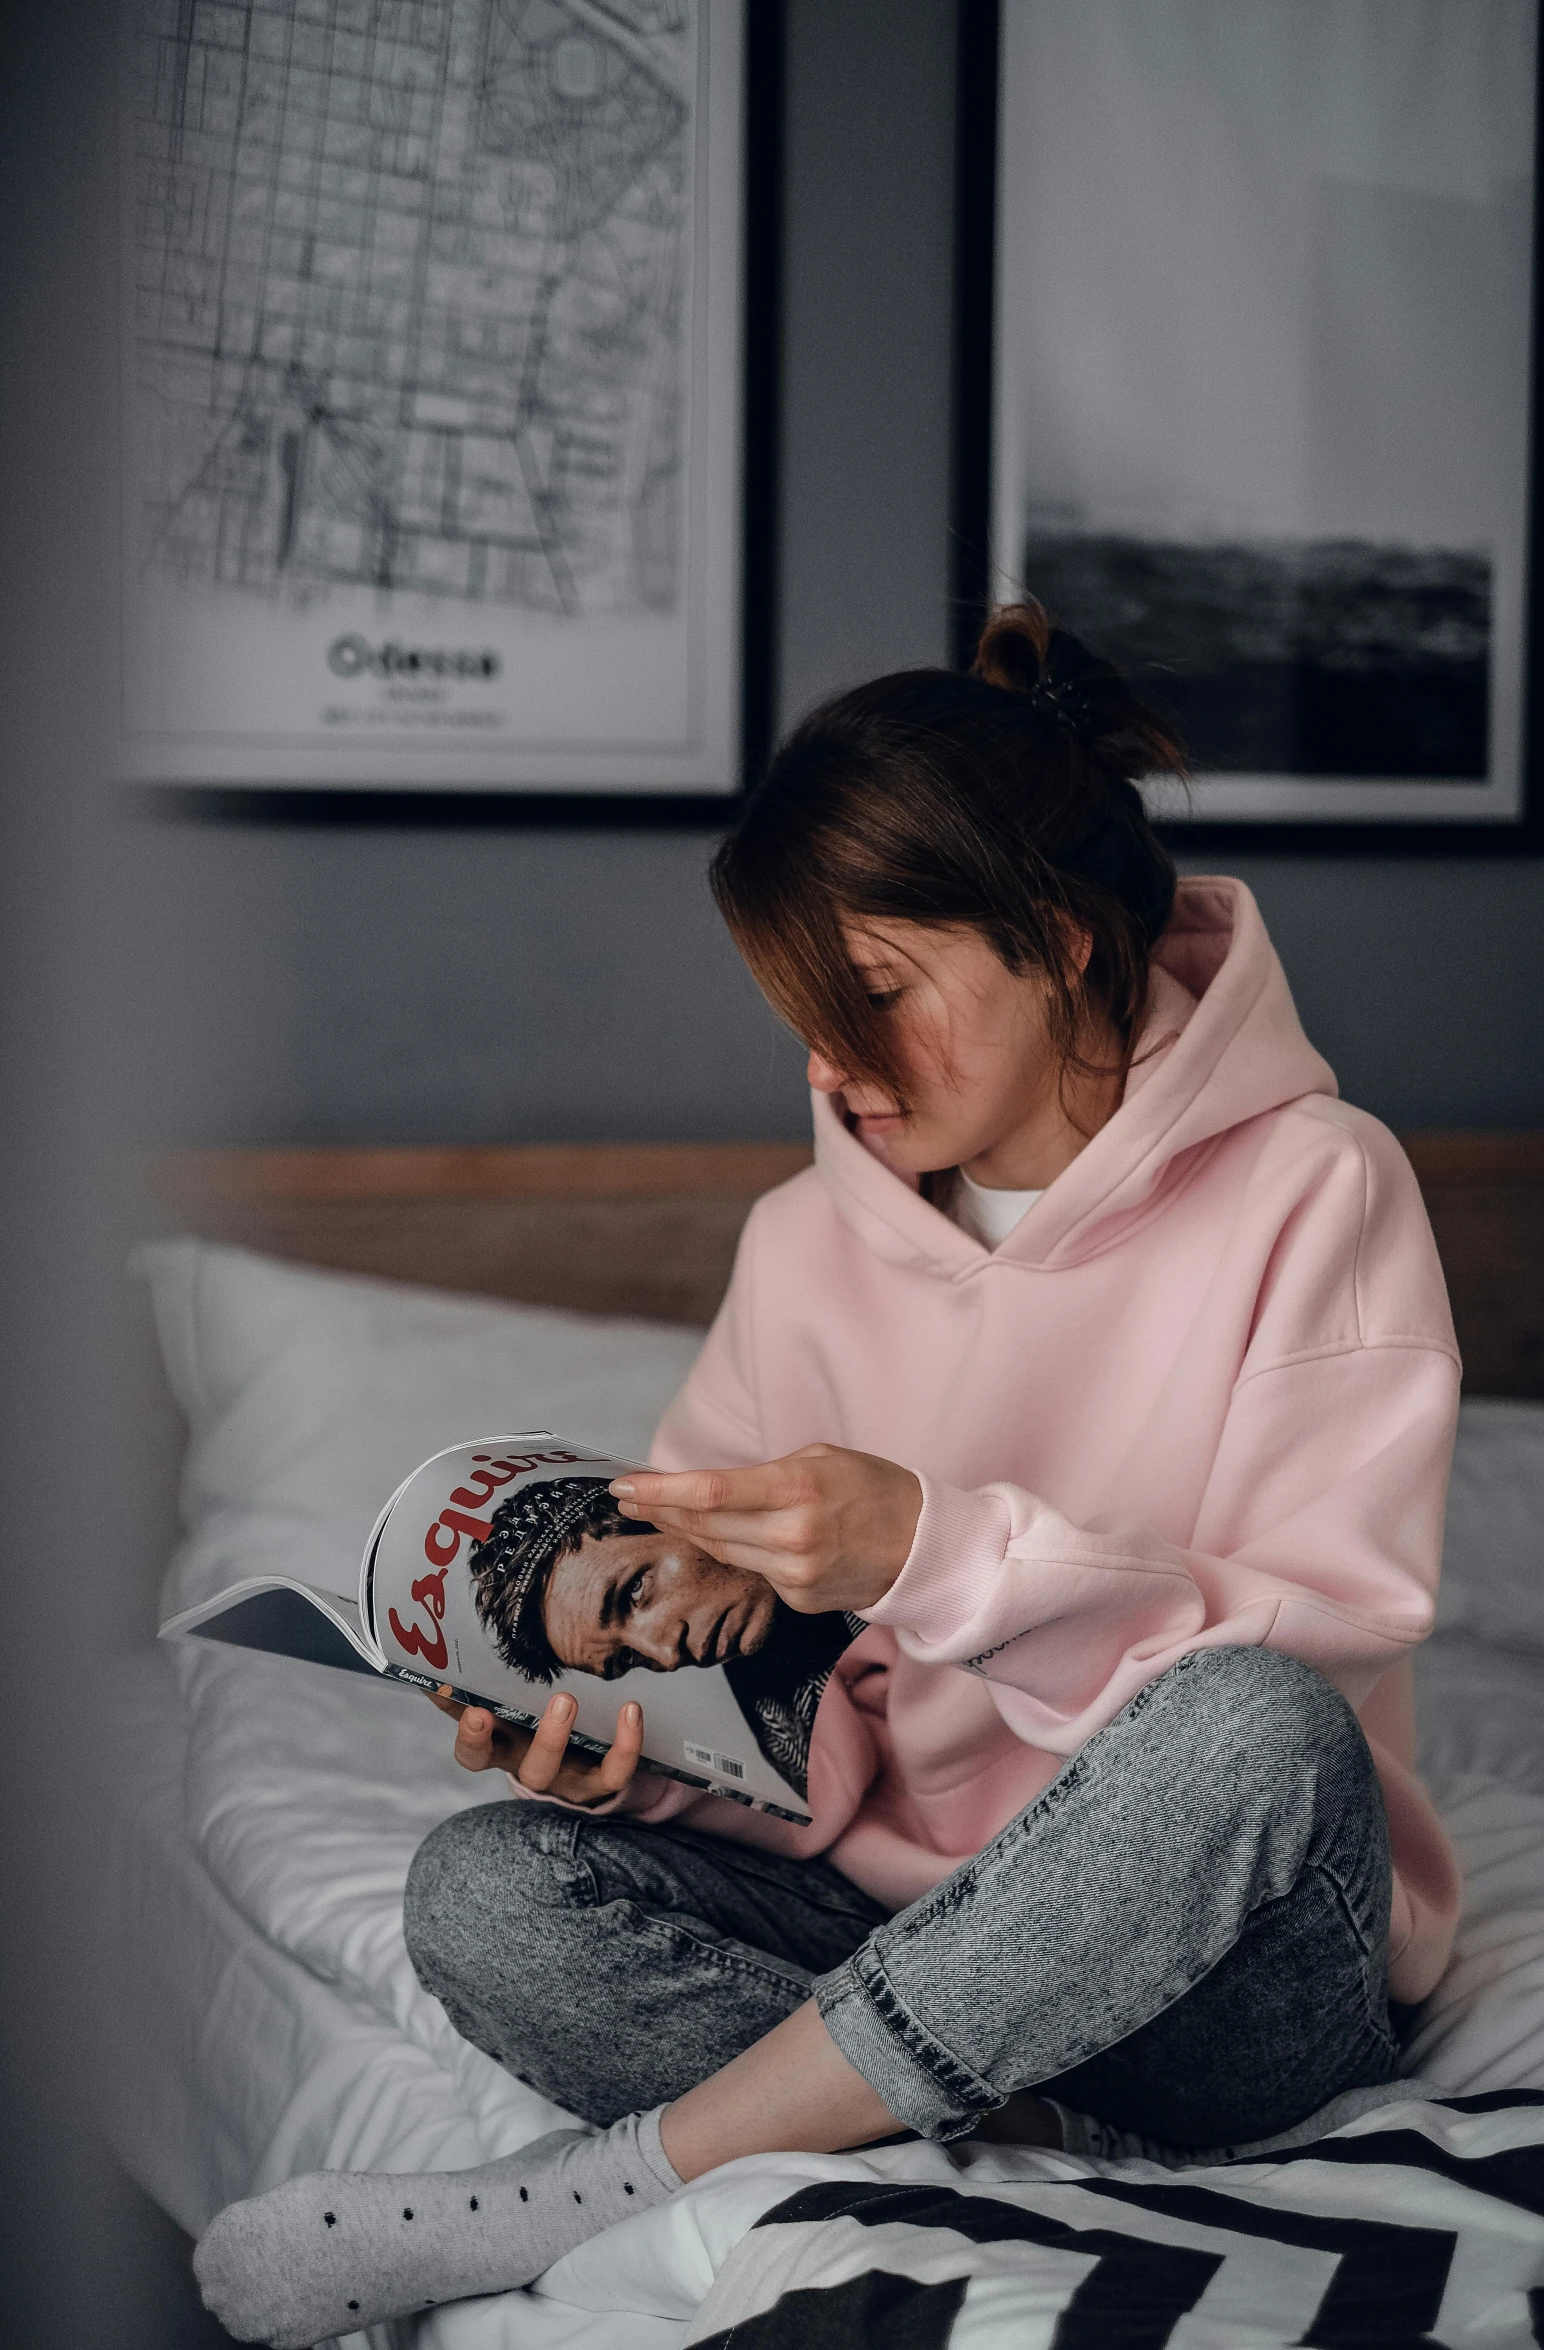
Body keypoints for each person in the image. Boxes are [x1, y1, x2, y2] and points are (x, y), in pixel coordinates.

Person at [194, 602, 1462, 2349]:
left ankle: (626, 2176)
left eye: (869, 996)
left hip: (1228, 1981)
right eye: (800, 1010)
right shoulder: (802, 1246)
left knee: (1245, 1720)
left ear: (1067, 937)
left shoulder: (1321, 1187)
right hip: (910, 1916)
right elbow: (808, 1733)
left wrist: (929, 1551)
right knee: (479, 1886)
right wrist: (627, 1759)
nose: (823, 1065)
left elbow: (1315, 1655)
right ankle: (978, 2092)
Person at [466, 1474, 857, 1796]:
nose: (667, 1654)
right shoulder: (772, 1704)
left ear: (668, 1517)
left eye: (634, 1592)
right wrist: (590, 1784)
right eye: (626, 1660)